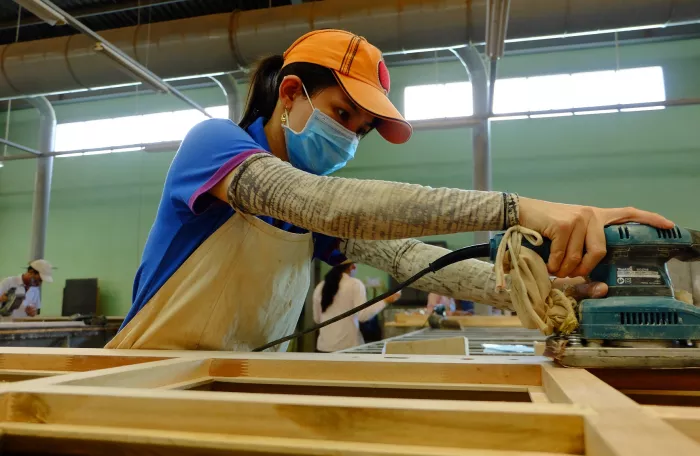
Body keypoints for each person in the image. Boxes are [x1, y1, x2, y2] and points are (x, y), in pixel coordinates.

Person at [106, 29, 673, 351]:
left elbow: (409, 257)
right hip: (139, 381)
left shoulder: (313, 195)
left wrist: (548, 292)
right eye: (341, 113)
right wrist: (520, 209)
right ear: (291, 93)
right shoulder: (214, 144)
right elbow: (316, 203)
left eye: (361, 129)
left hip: (231, 389)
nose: (349, 137)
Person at [313, 263, 400, 352]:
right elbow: (362, 316)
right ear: (352, 267)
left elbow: (317, 319)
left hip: (323, 348)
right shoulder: (355, 284)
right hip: (348, 348)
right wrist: (385, 301)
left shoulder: (320, 286)